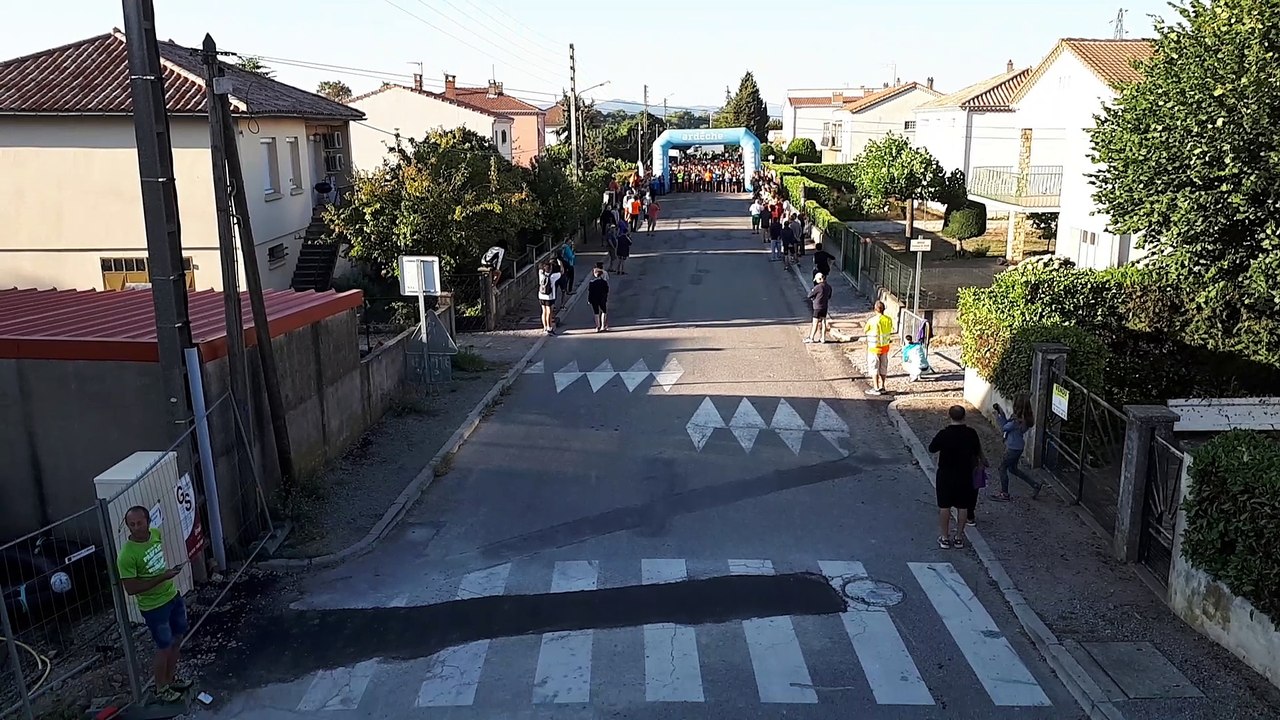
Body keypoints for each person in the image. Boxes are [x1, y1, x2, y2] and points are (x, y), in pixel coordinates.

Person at [118, 506, 191, 704]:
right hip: (154, 607)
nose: (136, 528)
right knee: (164, 646)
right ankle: (160, 687)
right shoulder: (126, 555)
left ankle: (171, 679)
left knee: (177, 639)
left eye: (139, 523)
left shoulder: (156, 534)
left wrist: (165, 577)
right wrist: (162, 577)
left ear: (148, 522)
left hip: (172, 596)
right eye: (132, 525)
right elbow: (131, 588)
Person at [928, 405, 984, 549]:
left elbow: (932, 448)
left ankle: (945, 537)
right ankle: (959, 537)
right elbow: (977, 450)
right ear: (964, 416)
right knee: (963, 506)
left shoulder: (944, 434)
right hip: (965, 474)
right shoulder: (971, 433)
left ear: (949, 416)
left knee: (944, 506)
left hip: (946, 473)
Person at [991, 398, 1043, 501]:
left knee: (1002, 468)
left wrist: (998, 417)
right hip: (1018, 447)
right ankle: (1035, 484)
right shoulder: (1024, 420)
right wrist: (1002, 413)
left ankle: (1004, 494)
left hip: (1012, 448)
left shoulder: (1017, 421)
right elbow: (1007, 425)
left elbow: (1004, 427)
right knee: (1012, 469)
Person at [863, 301, 894, 395]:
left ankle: (876, 388)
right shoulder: (888, 319)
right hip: (885, 347)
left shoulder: (872, 320)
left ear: (875, 309)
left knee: (874, 367)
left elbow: (865, 330)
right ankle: (883, 386)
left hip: (874, 347)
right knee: (883, 367)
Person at [805, 273, 832, 344]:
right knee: (823, 322)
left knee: (815, 323)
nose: (816, 281)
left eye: (816, 280)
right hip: (824, 307)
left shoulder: (818, 287)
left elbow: (810, 295)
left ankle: (811, 337)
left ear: (820, 279)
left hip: (817, 307)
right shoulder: (828, 287)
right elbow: (829, 296)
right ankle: (823, 338)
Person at [537, 261, 561, 335]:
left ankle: (544, 327)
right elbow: (561, 271)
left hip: (541, 295)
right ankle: (549, 327)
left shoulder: (541, 274)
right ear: (550, 269)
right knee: (549, 312)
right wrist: (560, 263)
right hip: (549, 296)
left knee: (543, 311)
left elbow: (540, 268)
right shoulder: (553, 276)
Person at [587, 266, 610, 332]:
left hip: (594, 299)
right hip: (602, 298)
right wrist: (605, 297)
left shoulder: (592, 283)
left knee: (596, 312)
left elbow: (590, 292)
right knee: (603, 311)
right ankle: (603, 326)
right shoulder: (604, 282)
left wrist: (589, 300)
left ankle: (597, 327)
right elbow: (607, 290)